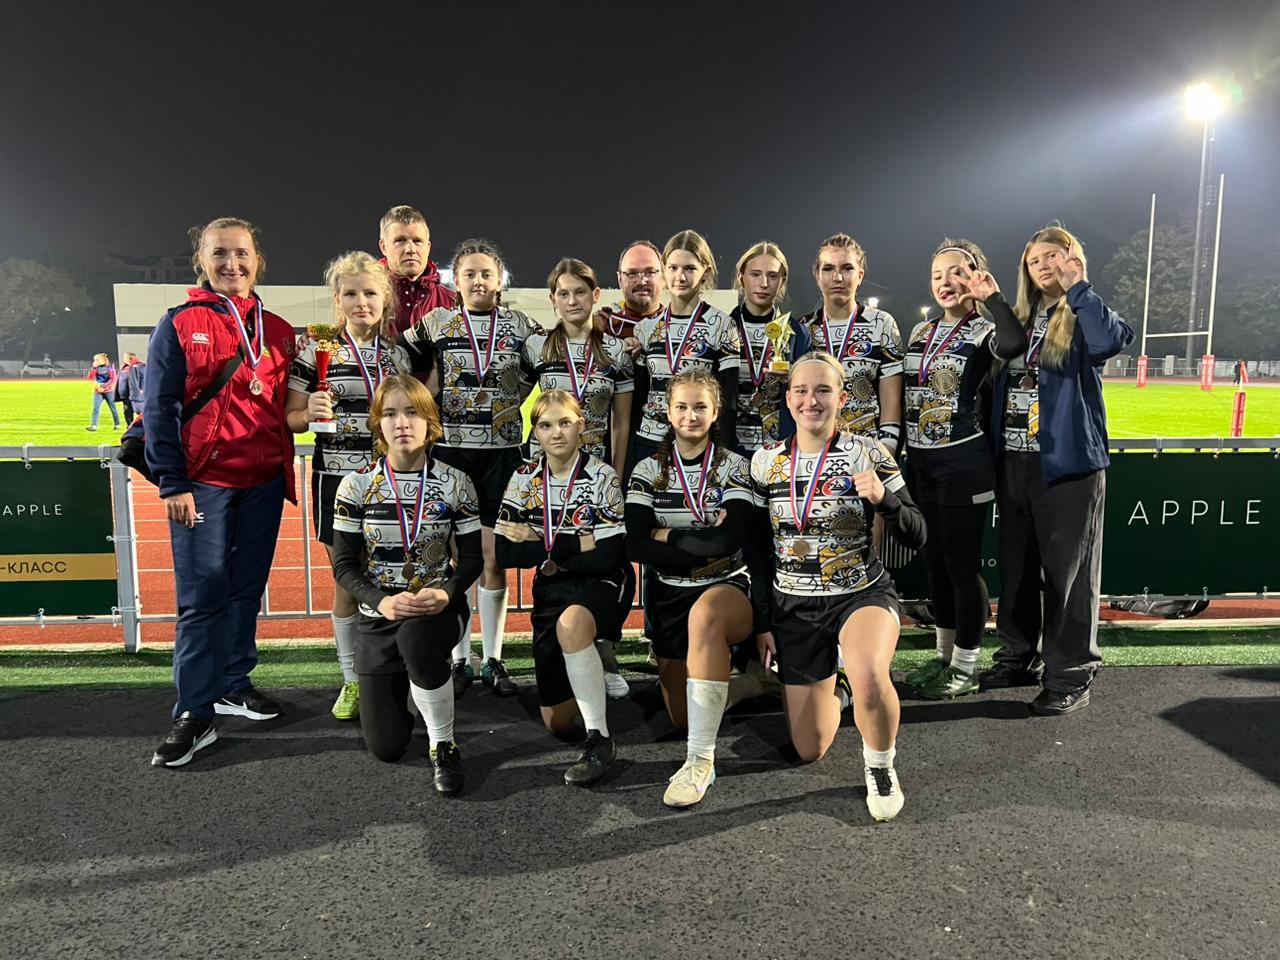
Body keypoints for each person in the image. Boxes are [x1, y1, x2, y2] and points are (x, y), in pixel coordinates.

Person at [146, 216, 297, 768]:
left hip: (263, 482)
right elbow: (159, 407)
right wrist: (172, 481)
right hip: (203, 484)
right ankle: (194, 711)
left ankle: (233, 683)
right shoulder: (179, 323)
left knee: (244, 591)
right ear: (202, 262)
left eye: (241, 253)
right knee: (202, 598)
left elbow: (287, 404)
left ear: (258, 261)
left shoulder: (278, 330)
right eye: (220, 254)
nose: (232, 263)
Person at [750, 352, 927, 822]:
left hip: (860, 593)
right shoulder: (764, 462)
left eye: (823, 390)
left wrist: (885, 500)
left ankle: (881, 768)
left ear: (843, 398)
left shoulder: (870, 453)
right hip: (794, 604)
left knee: (871, 673)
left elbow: (917, 533)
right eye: (802, 391)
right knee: (809, 748)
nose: (811, 400)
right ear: (789, 399)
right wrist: (763, 619)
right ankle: (842, 686)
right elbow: (757, 550)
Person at [983, 225, 1134, 715]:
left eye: (1052, 256)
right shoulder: (1021, 320)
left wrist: (1079, 287)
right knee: (1017, 571)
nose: (1043, 266)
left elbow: (1110, 342)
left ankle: (1071, 673)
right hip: (1015, 461)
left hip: (1068, 465)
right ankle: (1018, 657)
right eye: (1034, 260)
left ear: (1072, 258)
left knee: (1069, 577)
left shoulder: (1085, 311)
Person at [330, 375, 482, 796]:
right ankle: (416, 680)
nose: (402, 423)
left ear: (430, 421)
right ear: (377, 423)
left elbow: (473, 559)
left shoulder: (456, 482)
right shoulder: (355, 485)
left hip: (437, 609)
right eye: (391, 414)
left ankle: (443, 744)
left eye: (413, 412)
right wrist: (380, 602)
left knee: (416, 638)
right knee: (387, 747)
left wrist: (446, 593)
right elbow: (344, 567)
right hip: (379, 617)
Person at [399, 239, 534, 699]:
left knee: (493, 558)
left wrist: (514, 394)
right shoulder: (436, 322)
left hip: (502, 453)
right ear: (455, 280)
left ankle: (493, 657)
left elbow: (550, 358)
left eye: (486, 274)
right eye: (469, 274)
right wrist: (427, 392)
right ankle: (459, 659)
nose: (478, 281)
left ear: (500, 280)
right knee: (454, 557)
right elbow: (396, 355)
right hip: (450, 453)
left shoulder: (520, 324)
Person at [287, 252, 412, 721]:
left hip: (390, 480)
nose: (362, 301)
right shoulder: (315, 351)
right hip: (336, 480)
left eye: (370, 293)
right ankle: (351, 679)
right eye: (351, 293)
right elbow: (291, 418)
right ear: (337, 300)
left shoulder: (396, 355)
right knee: (348, 579)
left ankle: (390, 670)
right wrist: (308, 412)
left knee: (391, 573)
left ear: (385, 298)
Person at [901, 239, 1028, 699]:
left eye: (957, 273)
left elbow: (1015, 343)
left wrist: (992, 298)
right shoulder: (921, 331)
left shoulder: (982, 330)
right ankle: (944, 658)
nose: (945, 283)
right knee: (934, 564)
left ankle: (967, 665)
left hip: (962, 461)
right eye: (937, 275)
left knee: (961, 566)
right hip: (921, 463)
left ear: (974, 276)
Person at [625, 370, 758, 794]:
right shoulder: (647, 469)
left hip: (725, 584)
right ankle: (750, 683)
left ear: (716, 412)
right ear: (667, 412)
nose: (691, 415)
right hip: (668, 592)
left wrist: (666, 534)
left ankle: (700, 760)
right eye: (681, 406)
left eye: (701, 406)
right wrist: (702, 543)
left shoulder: (735, 465)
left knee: (707, 616)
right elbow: (634, 543)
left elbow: (729, 541)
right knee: (682, 717)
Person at [495, 390, 634, 786]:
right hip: (553, 584)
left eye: (565, 423)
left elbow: (609, 553)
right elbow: (506, 552)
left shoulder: (602, 475)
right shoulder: (523, 478)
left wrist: (542, 540)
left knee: (572, 625)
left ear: (581, 426)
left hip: (604, 580)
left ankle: (599, 740)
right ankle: (589, 665)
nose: (556, 433)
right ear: (535, 432)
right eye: (545, 425)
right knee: (556, 721)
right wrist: (581, 540)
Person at [524, 258, 636, 699]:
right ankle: (562, 651)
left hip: (598, 476)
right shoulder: (537, 347)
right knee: (559, 557)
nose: (572, 301)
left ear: (596, 296)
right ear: (553, 299)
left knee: (604, 560)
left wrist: (617, 476)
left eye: (580, 292)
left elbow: (621, 423)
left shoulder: (617, 352)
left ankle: (604, 652)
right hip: (550, 475)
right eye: (563, 294)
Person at [631, 230, 740, 467]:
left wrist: (722, 453)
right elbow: (638, 398)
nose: (680, 277)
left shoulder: (722, 326)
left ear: (705, 272)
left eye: (690, 268)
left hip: (697, 442)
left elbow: (727, 401)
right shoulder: (646, 329)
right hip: (649, 441)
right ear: (664, 270)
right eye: (673, 268)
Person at [802, 234, 904, 455]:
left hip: (866, 451)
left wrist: (885, 453)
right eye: (828, 269)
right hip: (812, 451)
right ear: (817, 275)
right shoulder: (803, 328)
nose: (837, 277)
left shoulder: (882, 324)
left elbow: (891, 399)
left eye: (847, 268)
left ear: (860, 275)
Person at [730, 241, 812, 454]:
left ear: (782, 281)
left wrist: (793, 379)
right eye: (755, 274)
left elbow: (810, 392)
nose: (764, 283)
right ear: (741, 277)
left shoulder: (796, 332)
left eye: (772, 276)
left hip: (780, 449)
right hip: (729, 447)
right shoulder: (722, 328)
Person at [377, 205, 457, 340]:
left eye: (417, 241)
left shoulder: (453, 303)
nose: (410, 249)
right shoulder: (364, 299)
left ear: (428, 247)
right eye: (400, 241)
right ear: (384, 247)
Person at [85, 353, 122, 431]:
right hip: (98, 391)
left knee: (113, 408)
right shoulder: (96, 368)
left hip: (109, 391)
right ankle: (94, 426)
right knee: (96, 408)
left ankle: (117, 424)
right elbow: (90, 377)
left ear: (103, 360)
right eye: (94, 360)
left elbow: (112, 379)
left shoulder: (110, 368)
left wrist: (103, 387)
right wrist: (93, 368)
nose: (95, 361)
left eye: (97, 360)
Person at [117, 352, 147, 425]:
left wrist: (141, 390)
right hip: (126, 395)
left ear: (129, 358)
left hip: (136, 395)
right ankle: (130, 426)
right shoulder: (125, 368)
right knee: (128, 412)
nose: (123, 359)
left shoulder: (140, 367)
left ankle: (144, 427)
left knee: (140, 412)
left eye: (124, 358)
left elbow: (145, 379)